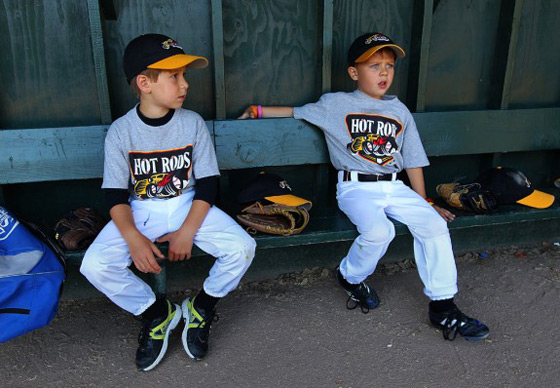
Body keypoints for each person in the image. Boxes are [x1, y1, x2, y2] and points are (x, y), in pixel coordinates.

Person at [239, 32, 489, 341]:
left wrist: (424, 202)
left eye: (389, 65)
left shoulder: (400, 111)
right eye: (374, 65)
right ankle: (349, 277)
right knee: (378, 232)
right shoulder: (336, 104)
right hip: (355, 188)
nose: (384, 72)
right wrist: (257, 111)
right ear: (354, 72)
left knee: (434, 224)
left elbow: (412, 159)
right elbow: (296, 110)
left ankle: (443, 307)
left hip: (395, 186)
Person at [81, 34, 256, 371]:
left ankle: (201, 306)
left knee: (242, 247)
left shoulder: (191, 124)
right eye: (174, 76)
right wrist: (133, 238)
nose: (184, 84)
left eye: (184, 75)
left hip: (189, 204)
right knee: (95, 265)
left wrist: (187, 231)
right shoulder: (121, 131)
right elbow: (115, 195)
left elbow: (207, 185)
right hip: (139, 209)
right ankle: (156, 312)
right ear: (145, 83)